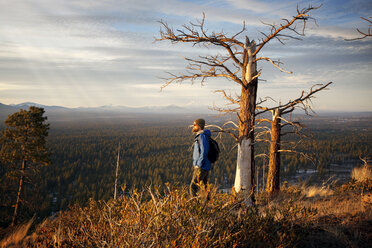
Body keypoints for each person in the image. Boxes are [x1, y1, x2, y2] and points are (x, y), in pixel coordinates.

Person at [190, 118, 211, 197]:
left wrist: (198, 164)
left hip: (201, 166)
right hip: (204, 166)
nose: (193, 126)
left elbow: (204, 151)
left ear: (199, 126)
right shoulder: (202, 136)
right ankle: (209, 204)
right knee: (205, 187)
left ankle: (195, 206)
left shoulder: (202, 136)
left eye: (194, 125)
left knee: (193, 187)